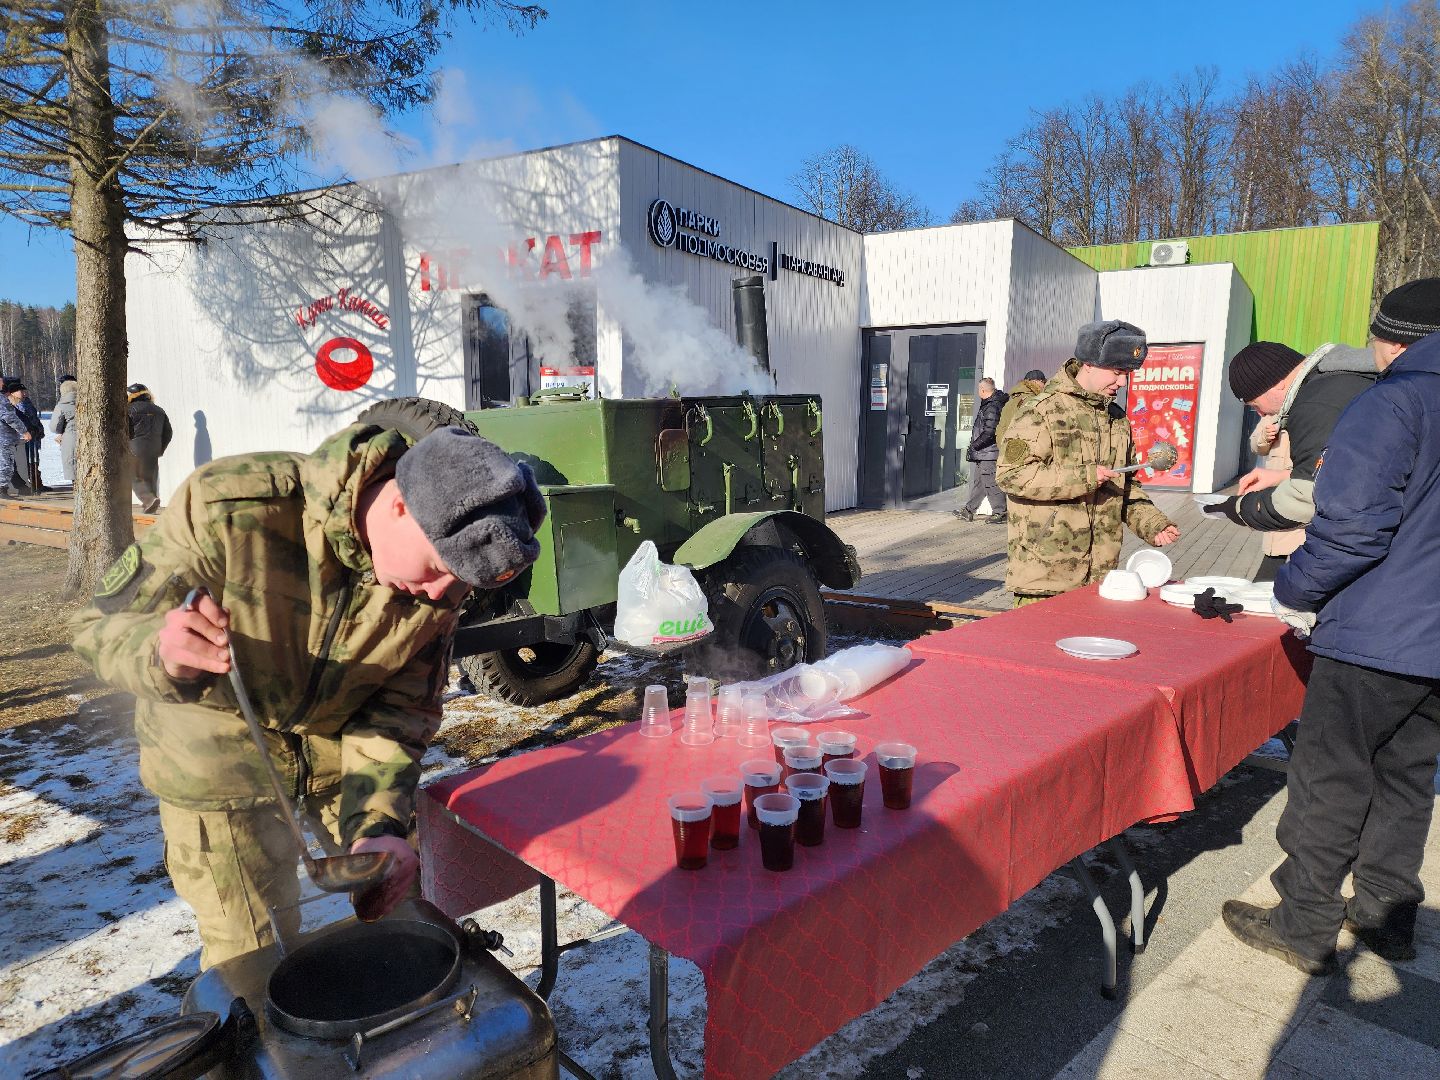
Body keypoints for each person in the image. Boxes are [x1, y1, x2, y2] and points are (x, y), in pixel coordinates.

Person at [72, 423, 547, 968]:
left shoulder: (440, 578)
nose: (442, 595)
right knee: (248, 957)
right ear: (398, 507)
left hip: (337, 758)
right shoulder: (232, 505)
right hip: (214, 759)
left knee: (400, 920)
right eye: (439, 568)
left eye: (461, 582)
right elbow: (97, 628)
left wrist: (378, 826)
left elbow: (397, 711)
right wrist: (162, 654)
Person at [1222, 319, 1440, 976]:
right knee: (1406, 778)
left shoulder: (1390, 400)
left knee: (1329, 778)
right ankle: (1385, 915)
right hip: (1431, 635)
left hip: (1377, 630)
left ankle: (1303, 925)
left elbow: (1351, 523)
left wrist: (1294, 590)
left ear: (1393, 340)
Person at [996, 321, 1180, 607]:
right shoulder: (1041, 411)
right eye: (1117, 372)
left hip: (1102, 579)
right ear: (1089, 364)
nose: (1122, 383)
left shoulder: (1117, 420)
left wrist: (1152, 524)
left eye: (1128, 374)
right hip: (1045, 581)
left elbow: (1126, 485)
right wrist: (1083, 477)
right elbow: (1011, 475)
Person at [1200, 339, 1378, 571]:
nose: (1260, 412)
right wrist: (1283, 476)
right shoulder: (1340, 380)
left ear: (1277, 383)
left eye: (1255, 404)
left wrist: (1237, 508)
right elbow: (1344, 467)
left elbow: (1306, 499)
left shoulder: (1314, 405)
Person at [1246, 416, 1304, 582]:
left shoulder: (1312, 409)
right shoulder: (1274, 414)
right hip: (1277, 492)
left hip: (1302, 487)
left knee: (1293, 548)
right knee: (1276, 546)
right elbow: (1255, 446)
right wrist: (1264, 436)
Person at [956, 377, 1009, 523]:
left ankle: (1001, 513)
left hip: (988, 452)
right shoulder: (990, 404)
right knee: (979, 483)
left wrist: (975, 445)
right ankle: (969, 510)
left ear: (983, 390)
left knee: (991, 483)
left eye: (979, 389)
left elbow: (990, 432)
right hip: (984, 453)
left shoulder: (992, 406)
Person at [126, 382, 173, 513]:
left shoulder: (128, 410)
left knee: (132, 475)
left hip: (134, 447)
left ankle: (148, 501)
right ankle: (151, 504)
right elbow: (168, 433)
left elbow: (123, 430)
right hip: (154, 449)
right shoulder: (159, 410)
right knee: (150, 477)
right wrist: (160, 448)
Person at [995, 368, 1049, 445]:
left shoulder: (1010, 402)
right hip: (1024, 450)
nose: (1044, 385)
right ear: (1035, 382)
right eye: (1043, 382)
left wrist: (1003, 449)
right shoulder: (1033, 401)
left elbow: (1000, 429)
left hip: (1007, 449)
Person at [1, 377, 32, 497]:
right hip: (3, 438)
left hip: (5, 437)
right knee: (5, 464)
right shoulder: (2, 400)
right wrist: (24, 431)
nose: (3, 383)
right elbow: (9, 417)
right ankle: (2, 491)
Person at [50, 373, 78, 484]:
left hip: (71, 439)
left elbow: (54, 427)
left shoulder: (62, 405)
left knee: (74, 468)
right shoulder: (88, 402)